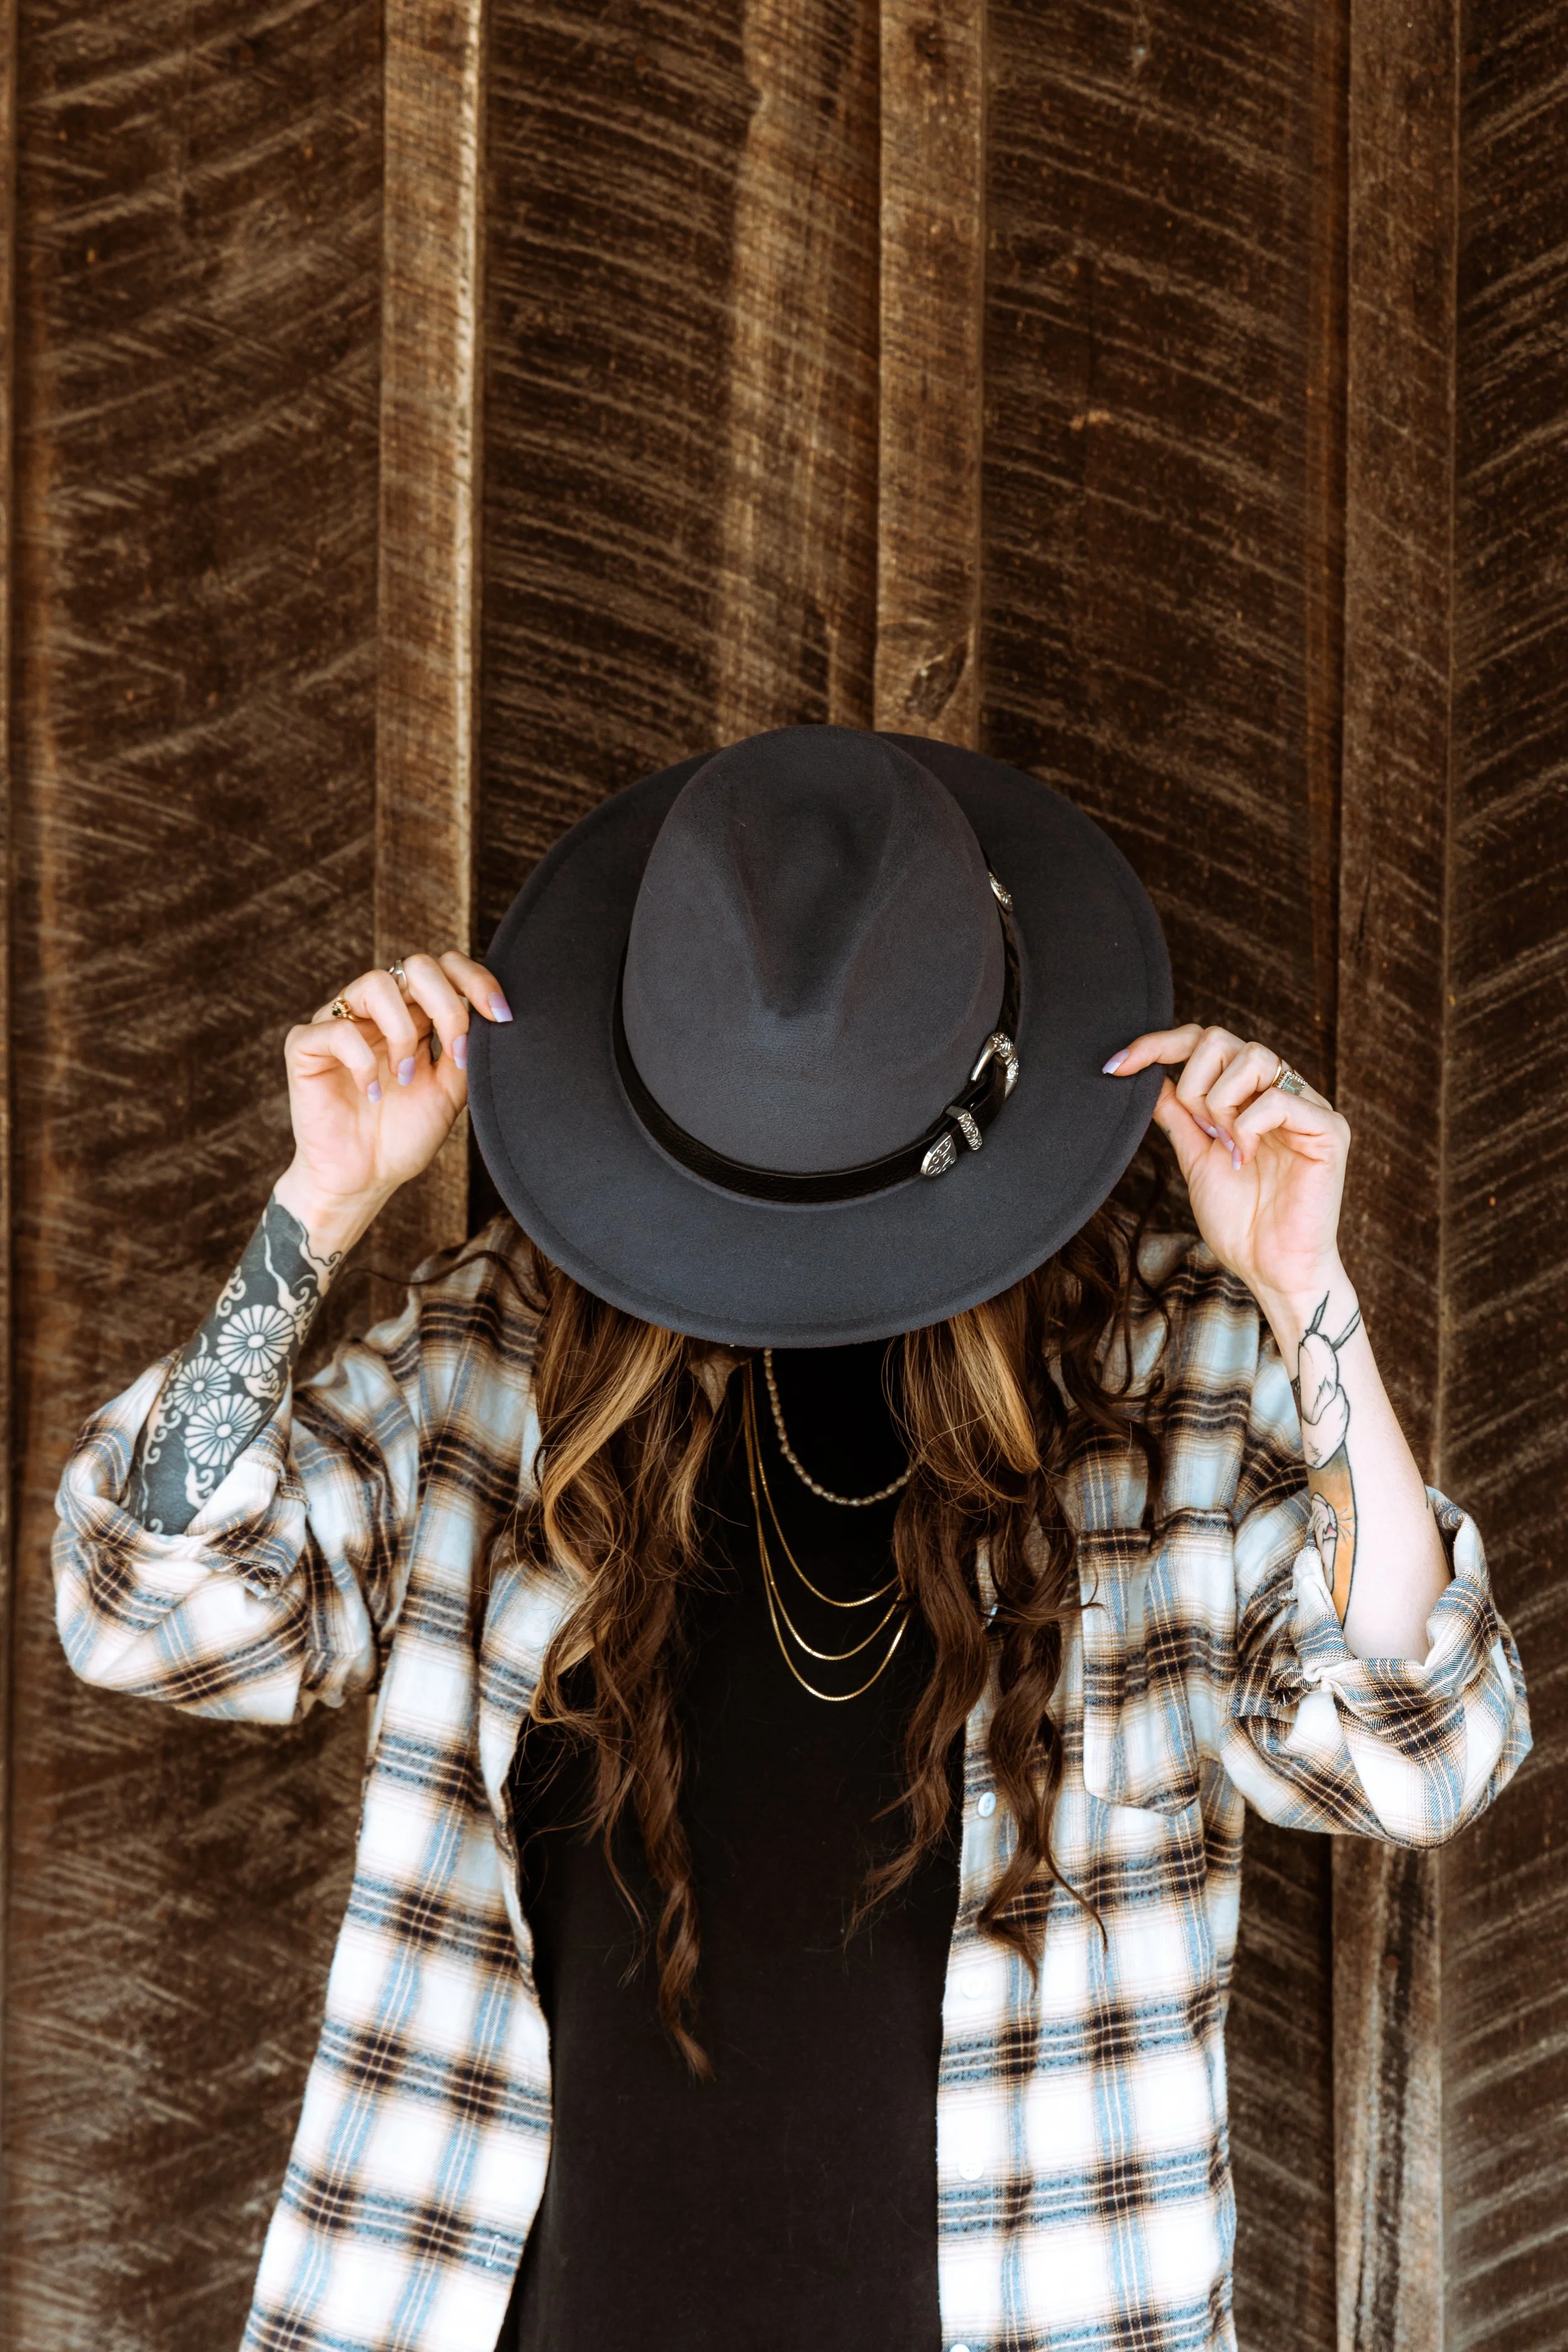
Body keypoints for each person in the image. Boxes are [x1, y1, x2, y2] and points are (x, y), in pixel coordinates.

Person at [54, 726, 1528, 2352]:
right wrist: (314, 1210)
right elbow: (153, 1606)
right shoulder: (503, 1356)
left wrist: (1305, 1295)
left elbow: (1414, 1749)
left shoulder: (1163, 1377)